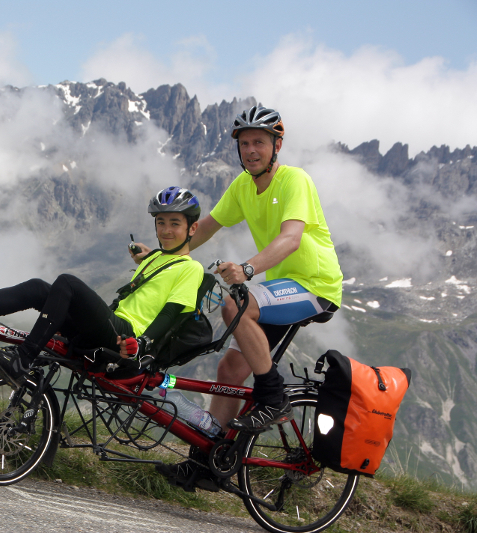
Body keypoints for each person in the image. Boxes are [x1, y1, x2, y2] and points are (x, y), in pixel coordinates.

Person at [135, 106, 342, 487]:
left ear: (276, 145)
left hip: (314, 286)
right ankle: (207, 463)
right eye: (245, 144)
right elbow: (208, 227)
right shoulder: (243, 186)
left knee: (237, 304)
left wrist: (247, 270)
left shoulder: (295, 180)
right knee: (229, 371)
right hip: (282, 290)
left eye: (259, 143)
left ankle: (273, 396)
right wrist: (164, 252)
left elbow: (291, 238)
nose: (251, 150)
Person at [0, 186, 206, 389]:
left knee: (68, 283)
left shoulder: (192, 269)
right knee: (38, 288)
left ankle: (22, 361)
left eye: (175, 224)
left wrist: (141, 346)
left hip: (124, 339)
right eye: (160, 223)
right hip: (105, 331)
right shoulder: (158, 257)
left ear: (192, 229)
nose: (166, 230)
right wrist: (142, 255)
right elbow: (156, 267)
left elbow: (171, 315)